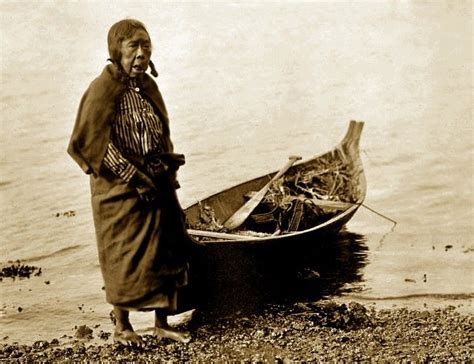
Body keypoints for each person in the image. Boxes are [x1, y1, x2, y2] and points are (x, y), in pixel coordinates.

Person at [68, 19, 193, 346]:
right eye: (133, 46)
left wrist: (166, 165)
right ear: (116, 51)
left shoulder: (148, 87)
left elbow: (161, 129)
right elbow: (92, 142)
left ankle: (161, 323)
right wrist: (134, 177)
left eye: (146, 46)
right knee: (124, 253)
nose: (141, 53)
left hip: (156, 178)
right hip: (119, 188)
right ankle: (122, 326)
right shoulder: (102, 89)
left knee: (165, 248)